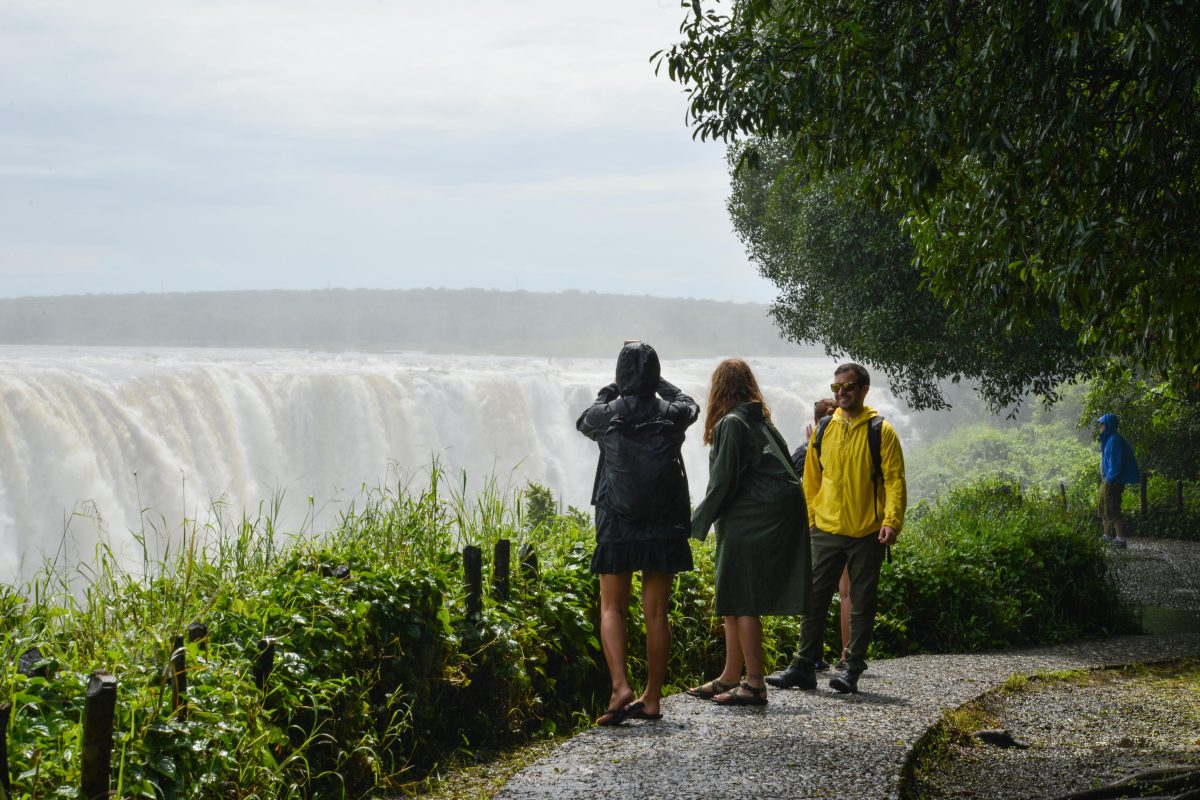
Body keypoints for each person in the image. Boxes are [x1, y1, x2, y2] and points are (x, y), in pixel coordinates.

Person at [577, 341, 699, 725]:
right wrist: (658, 384)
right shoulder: (673, 413)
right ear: (655, 374)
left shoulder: (605, 414)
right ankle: (653, 699)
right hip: (663, 522)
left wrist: (612, 389)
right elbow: (690, 402)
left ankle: (620, 687)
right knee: (657, 614)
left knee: (612, 607)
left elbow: (584, 419)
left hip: (617, 519)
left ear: (619, 374)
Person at [767, 362, 906, 694]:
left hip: (866, 530)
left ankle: (852, 667)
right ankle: (802, 666)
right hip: (826, 528)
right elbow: (812, 479)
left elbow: (894, 480)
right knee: (812, 598)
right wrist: (813, 518)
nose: (841, 392)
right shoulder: (825, 428)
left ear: (863, 390)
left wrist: (891, 521)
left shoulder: (880, 431)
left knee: (862, 600)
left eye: (848, 386)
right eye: (836, 388)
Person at [687, 358, 811, 706]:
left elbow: (723, 481)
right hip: (769, 514)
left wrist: (695, 523)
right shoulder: (760, 421)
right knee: (732, 594)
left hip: (752, 517)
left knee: (743, 599)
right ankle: (730, 675)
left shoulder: (731, 423)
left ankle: (754, 683)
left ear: (719, 389)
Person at [787, 397, 850, 672]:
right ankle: (848, 656)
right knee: (846, 593)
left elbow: (790, 483)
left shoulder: (805, 450)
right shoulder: (845, 444)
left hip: (817, 526)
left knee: (816, 595)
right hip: (848, 523)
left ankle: (812, 656)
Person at [1097, 413, 1140, 550]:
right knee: (1104, 508)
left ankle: (1120, 539)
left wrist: (1110, 479)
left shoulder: (1114, 439)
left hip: (1113, 481)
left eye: (1102, 424)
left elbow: (1116, 463)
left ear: (1108, 425)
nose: (1100, 426)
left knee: (1113, 509)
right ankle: (1107, 536)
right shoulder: (1108, 439)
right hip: (1107, 480)